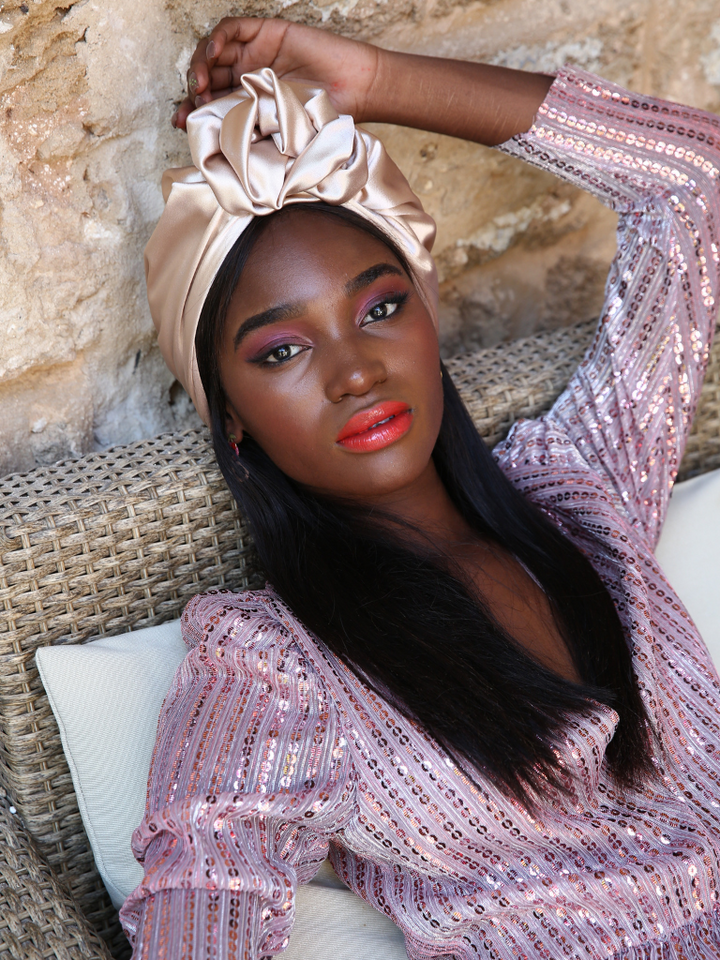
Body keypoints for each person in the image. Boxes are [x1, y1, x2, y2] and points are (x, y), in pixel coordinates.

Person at [120, 16, 720, 959]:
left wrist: (376, 79)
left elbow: (693, 182)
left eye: (382, 308)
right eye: (281, 350)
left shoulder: (579, 488)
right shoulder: (274, 669)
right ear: (231, 417)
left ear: (429, 323)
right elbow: (198, 913)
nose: (355, 370)